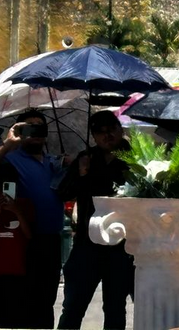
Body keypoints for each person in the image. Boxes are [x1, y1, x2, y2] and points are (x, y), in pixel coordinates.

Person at [0, 109, 67, 328]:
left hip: (51, 240)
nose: (35, 131)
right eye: (29, 127)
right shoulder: (10, 159)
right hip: (24, 241)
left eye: (40, 127)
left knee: (46, 301)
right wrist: (9, 143)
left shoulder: (54, 162)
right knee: (23, 303)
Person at [55, 111, 132, 330]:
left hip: (122, 246)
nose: (107, 136)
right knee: (73, 306)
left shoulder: (135, 159)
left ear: (120, 129)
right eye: (101, 132)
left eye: (111, 129)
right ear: (94, 135)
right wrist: (81, 173)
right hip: (87, 244)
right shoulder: (85, 158)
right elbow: (63, 193)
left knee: (115, 307)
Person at [0, 164, 32, 329]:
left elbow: (29, 235)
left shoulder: (25, 205)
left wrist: (16, 211)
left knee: (15, 317)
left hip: (16, 270)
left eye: (8, 185)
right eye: (0, 185)